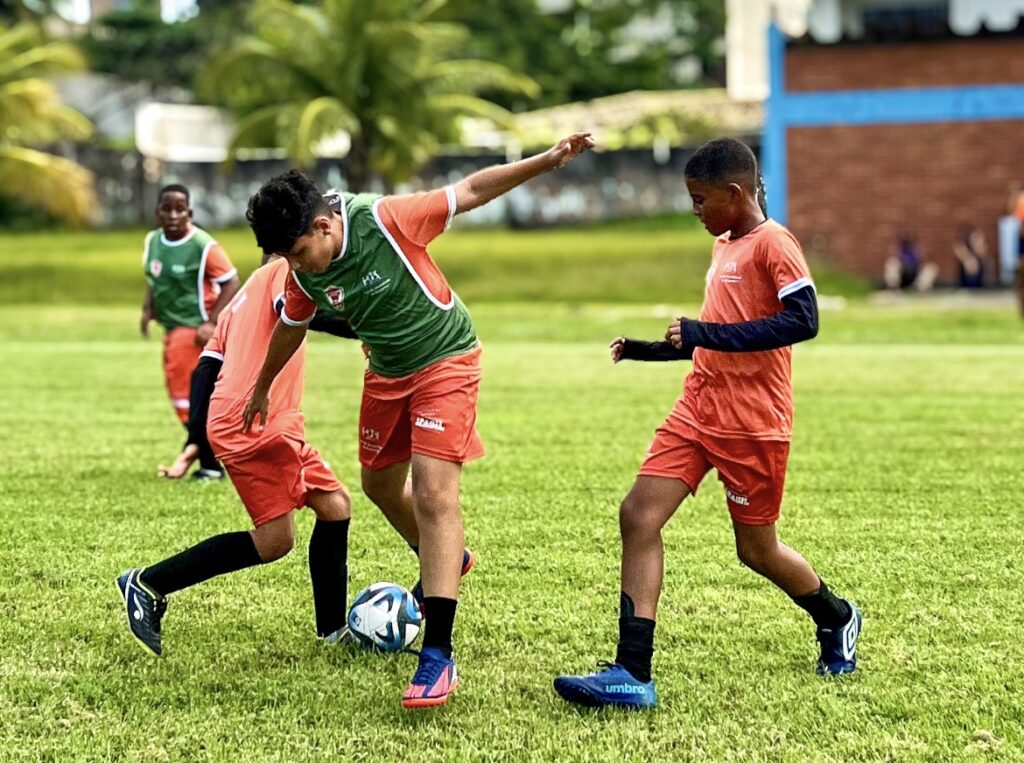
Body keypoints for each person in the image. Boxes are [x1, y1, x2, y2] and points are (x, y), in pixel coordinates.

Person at [242, 132, 594, 709]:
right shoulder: (301, 270)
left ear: (325, 226)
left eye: (298, 253)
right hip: (387, 370)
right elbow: (292, 324)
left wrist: (546, 161)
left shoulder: (387, 220)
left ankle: (437, 656)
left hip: (446, 360)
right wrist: (261, 385)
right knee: (380, 485)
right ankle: (448, 558)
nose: (295, 267)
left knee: (434, 496)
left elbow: (471, 190)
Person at [553, 138, 860, 710]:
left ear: (735, 194)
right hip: (698, 408)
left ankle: (836, 616)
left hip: (753, 423)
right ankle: (632, 671)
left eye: (700, 199)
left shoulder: (775, 244)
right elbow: (716, 334)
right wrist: (650, 350)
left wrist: (704, 334)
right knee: (638, 515)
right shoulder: (723, 247)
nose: (695, 209)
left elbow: (804, 321)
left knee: (757, 551)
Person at [117, 253, 352, 656]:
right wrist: (369, 327)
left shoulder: (238, 301)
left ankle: (333, 630)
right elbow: (302, 314)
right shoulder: (283, 273)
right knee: (287, 533)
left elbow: (204, 372)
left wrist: (195, 441)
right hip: (258, 425)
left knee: (323, 512)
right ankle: (149, 583)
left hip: (239, 423)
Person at [141, 184, 241, 479]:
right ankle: (206, 458)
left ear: (190, 213)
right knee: (185, 397)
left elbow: (231, 282)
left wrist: (211, 322)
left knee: (187, 397)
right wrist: (148, 309)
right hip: (172, 328)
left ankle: (209, 462)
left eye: (180, 209)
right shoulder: (152, 241)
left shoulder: (203, 245)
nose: (173, 215)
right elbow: (153, 278)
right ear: (157, 213)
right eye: (167, 209)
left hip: (193, 330)